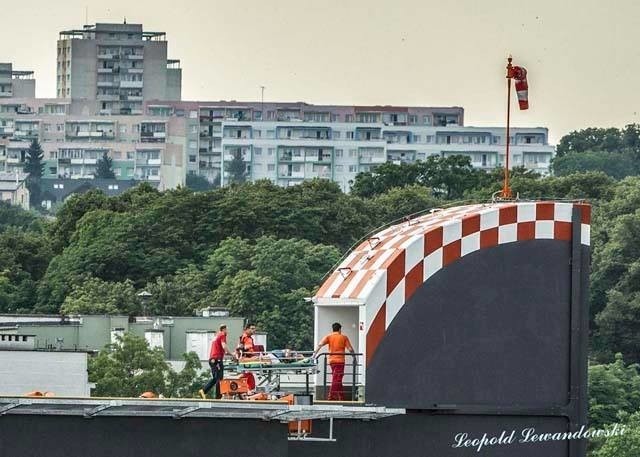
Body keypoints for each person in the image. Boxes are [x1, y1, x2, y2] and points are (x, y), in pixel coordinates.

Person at [313, 322, 354, 401]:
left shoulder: (329, 336)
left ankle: (341, 397)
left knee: (337, 378)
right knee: (337, 379)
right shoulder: (344, 337)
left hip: (332, 361)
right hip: (340, 361)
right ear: (339, 329)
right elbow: (350, 349)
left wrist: (314, 355)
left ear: (333, 329)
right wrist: (354, 357)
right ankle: (331, 396)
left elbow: (320, 345)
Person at [199, 324, 235, 399]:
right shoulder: (222, 335)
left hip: (212, 359)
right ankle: (218, 397)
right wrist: (232, 355)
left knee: (216, 378)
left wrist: (228, 354)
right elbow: (224, 347)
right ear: (223, 329)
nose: (227, 332)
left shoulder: (216, 336)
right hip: (217, 360)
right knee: (219, 379)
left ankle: (204, 390)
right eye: (227, 330)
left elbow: (221, 350)